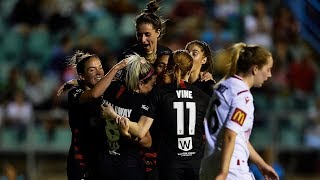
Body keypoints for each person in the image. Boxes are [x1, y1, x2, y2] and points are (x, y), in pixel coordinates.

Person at [103, 50, 210, 180]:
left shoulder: (159, 93)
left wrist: (114, 115)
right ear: (190, 69)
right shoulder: (203, 97)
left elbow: (140, 131)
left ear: (169, 67)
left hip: (170, 163)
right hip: (196, 163)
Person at [200, 43, 279, 180]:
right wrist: (224, 173)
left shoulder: (224, 86)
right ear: (255, 69)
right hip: (231, 168)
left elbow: (238, 135)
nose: (269, 75)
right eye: (268, 69)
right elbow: (230, 135)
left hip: (209, 164)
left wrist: (262, 165)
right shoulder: (243, 95)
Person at [64, 50, 127, 180]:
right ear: (82, 76)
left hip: (101, 158)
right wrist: (115, 68)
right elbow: (93, 94)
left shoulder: (107, 91)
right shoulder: (75, 93)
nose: (99, 72)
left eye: (100, 67)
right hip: (81, 159)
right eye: (92, 70)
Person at [98, 54, 156, 180]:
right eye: (152, 84)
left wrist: (113, 115)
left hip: (104, 159)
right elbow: (146, 140)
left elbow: (94, 88)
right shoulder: (143, 101)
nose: (153, 88)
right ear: (140, 83)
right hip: (128, 163)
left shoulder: (110, 88)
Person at [115, 0, 172, 82]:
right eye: (139, 35)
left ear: (158, 33)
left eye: (147, 34)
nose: (143, 40)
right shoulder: (128, 57)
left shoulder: (167, 55)